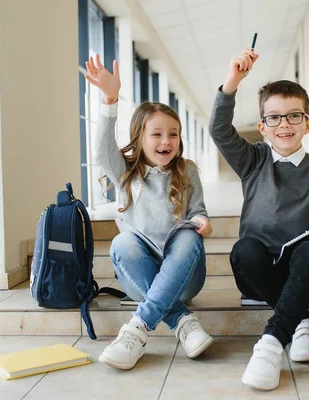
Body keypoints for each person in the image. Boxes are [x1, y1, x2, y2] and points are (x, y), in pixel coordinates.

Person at [209, 48, 309, 390]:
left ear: (307, 123)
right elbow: (220, 131)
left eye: (294, 116)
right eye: (274, 118)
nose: (284, 124)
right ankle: (299, 322)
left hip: (301, 268)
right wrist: (232, 82)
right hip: (257, 271)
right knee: (243, 251)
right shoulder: (252, 160)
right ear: (262, 128)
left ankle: (270, 343)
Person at [84, 54, 214, 370]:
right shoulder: (125, 172)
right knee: (122, 243)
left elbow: (198, 210)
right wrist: (109, 100)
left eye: (173, 134)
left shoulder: (188, 172)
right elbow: (101, 149)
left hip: (185, 275)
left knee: (187, 238)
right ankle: (182, 321)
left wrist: (202, 222)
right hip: (139, 277)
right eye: (156, 134)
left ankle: (137, 328)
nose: (166, 141)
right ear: (140, 138)